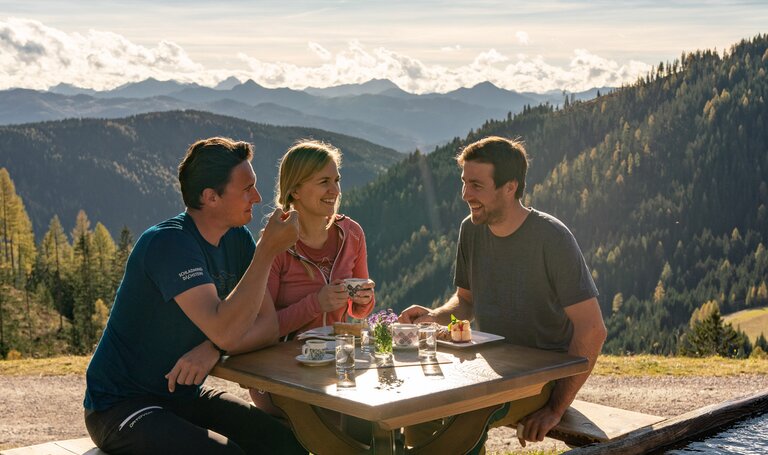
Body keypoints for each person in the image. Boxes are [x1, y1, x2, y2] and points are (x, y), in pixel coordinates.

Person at [83, 137, 307, 454]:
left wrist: (215, 347)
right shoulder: (168, 244)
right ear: (210, 197)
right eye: (247, 189)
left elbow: (267, 326)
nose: (257, 197)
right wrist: (267, 251)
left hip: (182, 395)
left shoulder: (237, 239)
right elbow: (227, 329)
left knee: (284, 443)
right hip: (122, 406)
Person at [399, 136, 607, 451]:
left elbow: (592, 329)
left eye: (476, 185)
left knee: (466, 413)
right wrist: (434, 316)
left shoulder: (552, 238)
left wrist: (555, 408)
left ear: (510, 187)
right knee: (418, 407)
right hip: (486, 367)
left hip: (539, 379)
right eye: (464, 182)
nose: (465, 194)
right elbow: (465, 301)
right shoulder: (471, 229)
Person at [249, 139, 375, 411]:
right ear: (295, 189)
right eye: (324, 182)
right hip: (283, 372)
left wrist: (364, 300)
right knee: (351, 422)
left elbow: (358, 311)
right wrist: (316, 303)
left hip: (337, 364)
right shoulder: (274, 244)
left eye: (336, 180)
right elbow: (261, 329)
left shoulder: (352, 233)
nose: (335, 190)